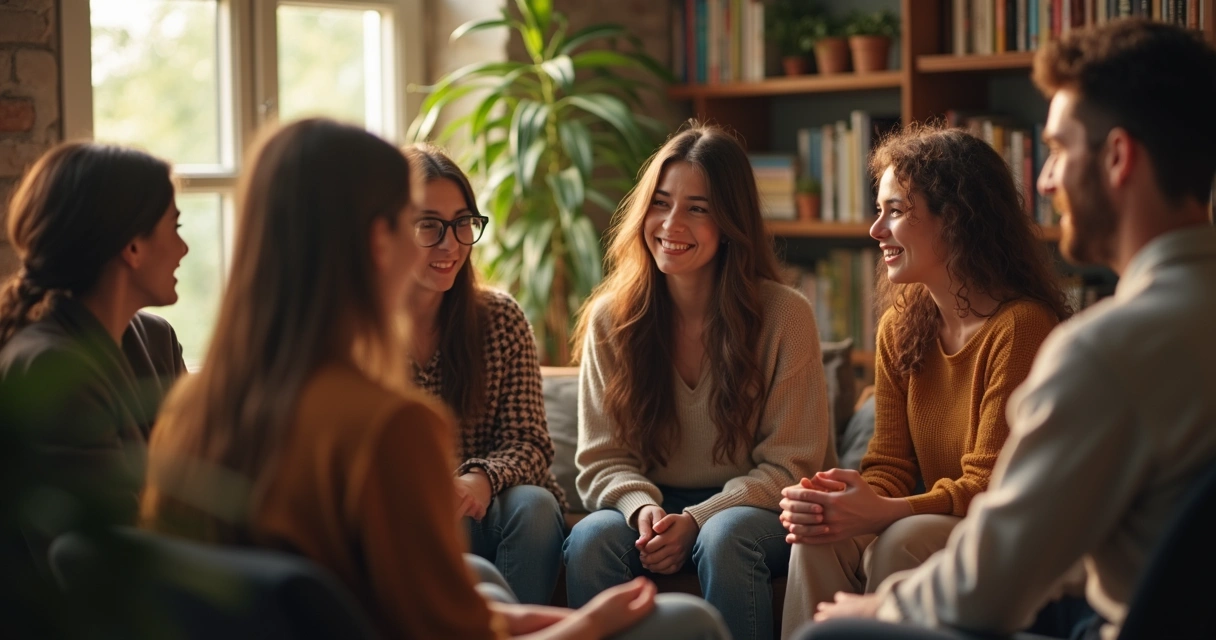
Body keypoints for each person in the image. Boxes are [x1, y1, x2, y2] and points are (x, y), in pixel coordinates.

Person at [140, 118, 729, 640]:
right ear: (377, 239)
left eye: (458, 226)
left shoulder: (189, 410)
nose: (445, 247)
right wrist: (586, 625)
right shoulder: (390, 425)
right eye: (413, 223)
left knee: (481, 577)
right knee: (691, 623)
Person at [800, 19, 1216, 640]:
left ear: (1119, 157)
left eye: (1057, 149)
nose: (1045, 181)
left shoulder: (1105, 352)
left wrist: (876, 610)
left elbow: (988, 585)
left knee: (833, 634)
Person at [779, 125, 1070, 639]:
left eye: (894, 211)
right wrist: (843, 495)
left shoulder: (1022, 327)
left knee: (901, 540)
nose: (876, 230)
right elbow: (890, 465)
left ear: (953, 219)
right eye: (878, 210)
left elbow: (990, 488)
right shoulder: (902, 327)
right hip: (937, 515)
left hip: (1004, 533)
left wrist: (886, 510)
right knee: (817, 533)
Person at [563, 122, 832, 640]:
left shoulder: (786, 315)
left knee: (726, 536)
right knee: (592, 538)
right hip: (651, 501)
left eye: (698, 208)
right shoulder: (609, 319)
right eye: (660, 203)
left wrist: (699, 518)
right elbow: (601, 460)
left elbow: (791, 464)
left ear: (731, 222)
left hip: (756, 508)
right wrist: (644, 509)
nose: (671, 223)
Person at [0, 142, 187, 574]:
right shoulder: (49, 368)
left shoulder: (156, 341)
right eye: (174, 228)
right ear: (133, 248)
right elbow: (105, 560)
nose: (184, 249)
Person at [401, 143, 565, 605]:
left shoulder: (499, 319)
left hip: (490, 513)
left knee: (535, 505)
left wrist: (480, 479)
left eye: (462, 223)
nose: (450, 244)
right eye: (429, 226)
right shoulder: (358, 332)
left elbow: (531, 443)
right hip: (404, 518)